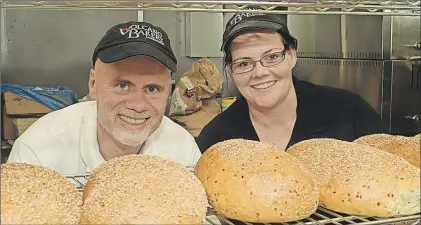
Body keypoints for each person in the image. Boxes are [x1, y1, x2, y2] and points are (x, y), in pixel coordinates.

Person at [7, 21, 201, 175]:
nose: (138, 105)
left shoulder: (182, 150)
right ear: (93, 84)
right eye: (122, 85)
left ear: (168, 91)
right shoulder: (38, 151)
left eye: (152, 89)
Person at [197, 12, 388, 153]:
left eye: (271, 57)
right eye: (244, 63)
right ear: (231, 70)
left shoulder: (351, 112)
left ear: (291, 56)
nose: (260, 72)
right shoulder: (216, 139)